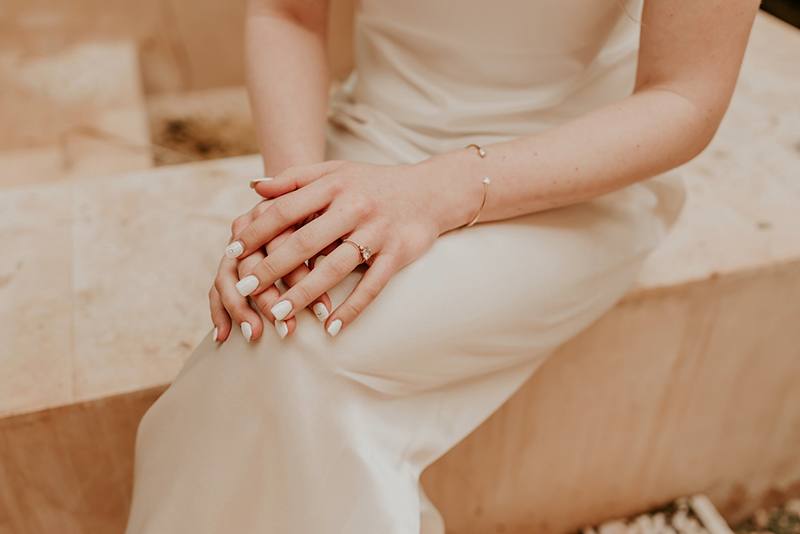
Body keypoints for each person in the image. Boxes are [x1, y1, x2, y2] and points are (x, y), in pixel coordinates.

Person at [124, 0, 760, 531]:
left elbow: (686, 94)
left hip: (565, 176)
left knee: (304, 353)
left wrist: (437, 191)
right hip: (370, 145)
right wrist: (299, 205)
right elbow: (287, 11)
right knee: (268, 339)